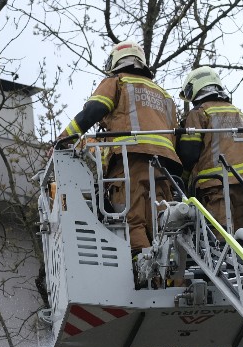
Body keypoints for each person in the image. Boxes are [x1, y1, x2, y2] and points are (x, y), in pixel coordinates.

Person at [58, 42, 181, 277]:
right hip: (165, 164)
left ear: (115, 63)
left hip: (131, 160)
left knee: (131, 217)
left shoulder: (117, 82)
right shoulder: (163, 94)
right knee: (161, 219)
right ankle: (170, 270)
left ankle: (143, 267)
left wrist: (63, 139)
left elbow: (93, 111)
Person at [177, 66, 243, 232]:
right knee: (242, 235)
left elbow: (189, 153)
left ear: (196, 88)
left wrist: (182, 181)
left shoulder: (199, 113)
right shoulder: (239, 114)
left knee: (221, 237)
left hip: (216, 185)